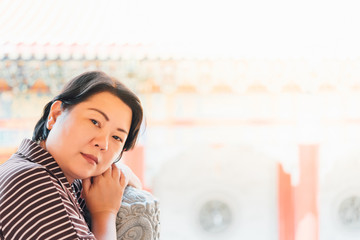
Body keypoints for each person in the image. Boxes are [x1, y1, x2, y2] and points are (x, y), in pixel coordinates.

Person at [0, 71, 144, 240]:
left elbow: (135, 182)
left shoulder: (69, 183)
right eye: (94, 122)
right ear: (55, 115)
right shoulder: (32, 181)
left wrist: (120, 173)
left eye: (116, 137)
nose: (103, 144)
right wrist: (104, 213)